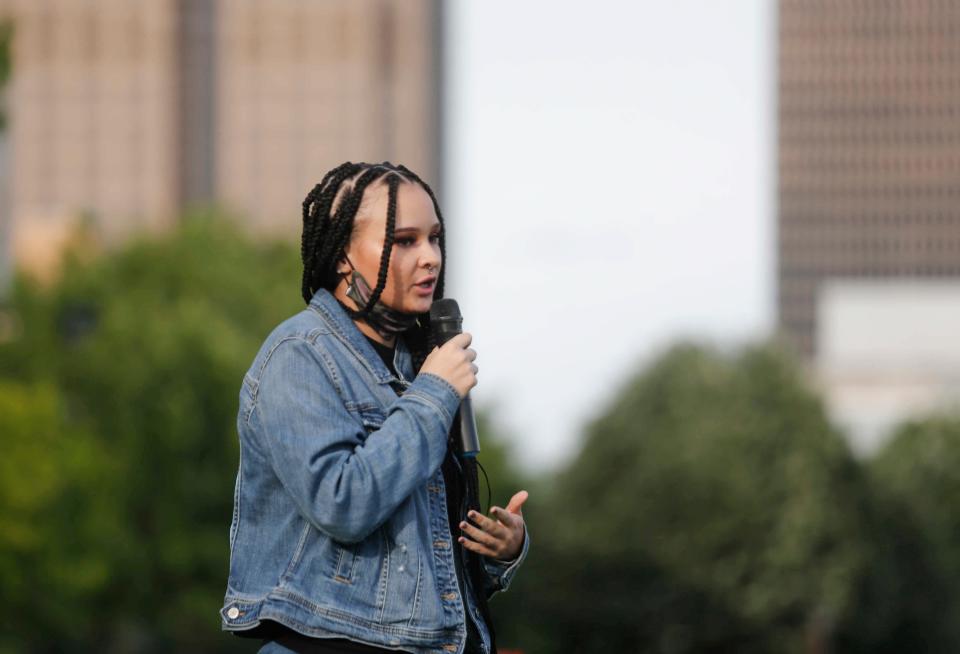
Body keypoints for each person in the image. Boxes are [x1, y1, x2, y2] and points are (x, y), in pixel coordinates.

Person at [221, 161, 530, 654]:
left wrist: (500, 551)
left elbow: (417, 569)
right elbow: (342, 503)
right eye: (404, 240)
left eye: (434, 238)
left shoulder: (418, 364)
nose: (429, 257)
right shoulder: (300, 354)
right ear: (344, 254)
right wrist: (433, 396)